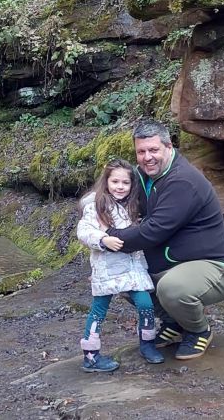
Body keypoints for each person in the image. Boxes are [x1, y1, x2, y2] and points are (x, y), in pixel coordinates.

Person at [107, 119, 224, 360]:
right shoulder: (141, 176)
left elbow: (153, 231)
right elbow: (106, 197)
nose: (147, 157)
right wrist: (93, 228)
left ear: (169, 147)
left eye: (153, 150)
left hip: (214, 266)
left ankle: (198, 330)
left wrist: (109, 238)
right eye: (141, 152)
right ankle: (174, 322)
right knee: (122, 276)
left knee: (172, 289)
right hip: (171, 263)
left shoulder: (182, 181)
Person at [77, 157, 165, 372]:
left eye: (125, 182)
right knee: (99, 309)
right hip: (107, 268)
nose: (120, 187)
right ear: (106, 181)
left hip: (133, 268)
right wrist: (103, 240)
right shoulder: (96, 206)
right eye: (115, 181)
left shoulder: (134, 206)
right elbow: (84, 231)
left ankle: (147, 344)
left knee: (145, 304)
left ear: (132, 185)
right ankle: (91, 355)